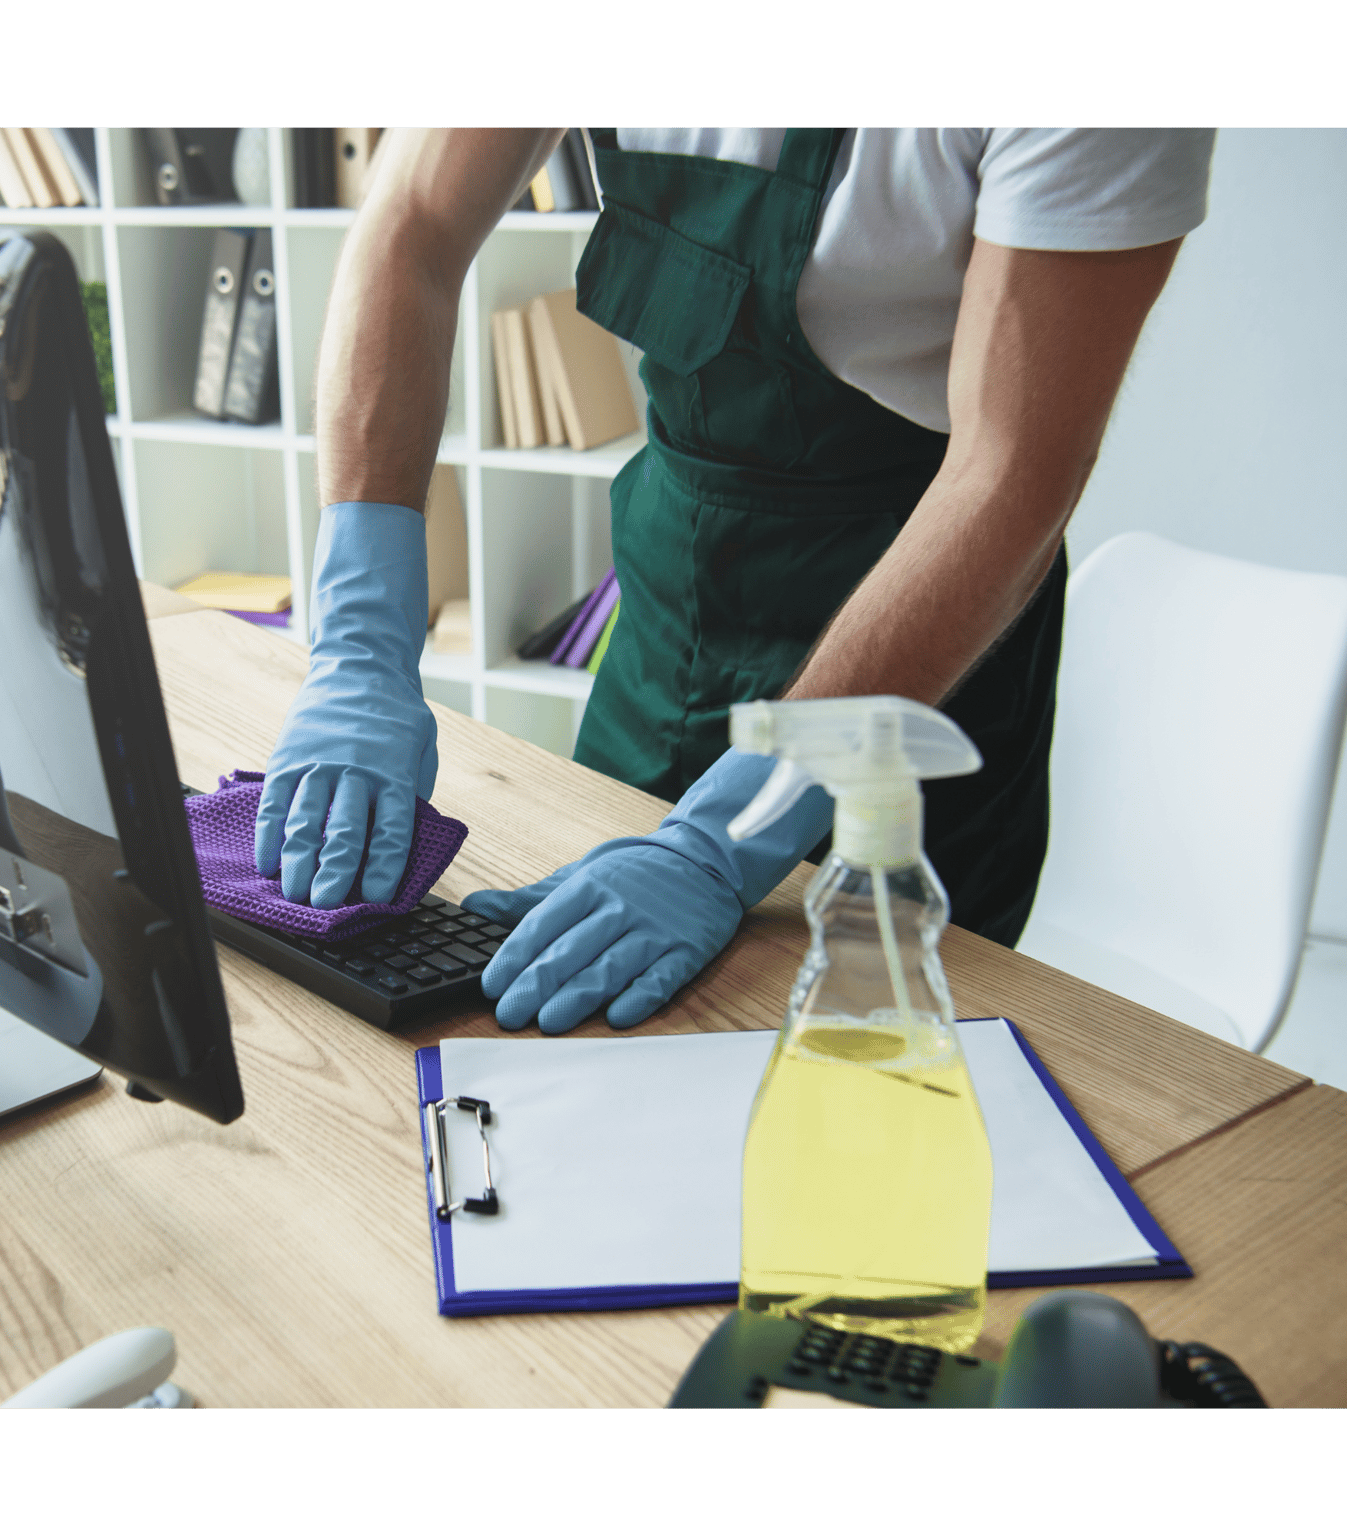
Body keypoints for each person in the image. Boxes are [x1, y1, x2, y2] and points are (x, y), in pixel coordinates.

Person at [256, 126, 1215, 1034]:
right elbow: (410, 224)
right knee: (554, 1040)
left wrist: (733, 833)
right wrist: (360, 644)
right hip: (669, 609)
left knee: (853, 1097)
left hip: (912, 653)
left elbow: (1011, 475)